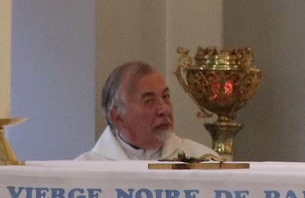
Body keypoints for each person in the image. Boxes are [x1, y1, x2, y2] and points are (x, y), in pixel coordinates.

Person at [74, 62, 217, 162]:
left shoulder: (204, 161)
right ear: (118, 117)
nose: (165, 109)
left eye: (166, 97)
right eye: (149, 101)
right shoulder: (84, 174)